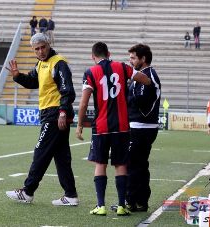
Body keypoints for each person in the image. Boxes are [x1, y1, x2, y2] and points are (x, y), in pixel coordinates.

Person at [76, 42, 151, 216]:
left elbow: (84, 102)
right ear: (109, 53)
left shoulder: (90, 72)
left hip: (101, 127)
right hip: (122, 126)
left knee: (100, 164)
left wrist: (79, 124)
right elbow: (144, 79)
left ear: (93, 56)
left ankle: (100, 206)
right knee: (121, 164)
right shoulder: (122, 67)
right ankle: (121, 206)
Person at [5, 33, 78, 206]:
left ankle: (28, 191)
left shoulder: (59, 63)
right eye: (36, 49)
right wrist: (17, 76)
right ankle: (71, 195)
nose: (40, 51)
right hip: (49, 113)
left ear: (48, 44)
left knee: (40, 152)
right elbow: (32, 81)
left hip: (55, 114)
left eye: (42, 47)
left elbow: (68, 90)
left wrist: (62, 112)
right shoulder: (41, 64)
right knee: (61, 157)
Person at [125, 44, 161, 212]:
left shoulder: (148, 75)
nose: (130, 61)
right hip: (142, 126)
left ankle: (130, 201)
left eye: (133, 58)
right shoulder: (143, 75)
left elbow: (141, 100)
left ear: (143, 59)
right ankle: (140, 202)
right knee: (140, 165)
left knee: (132, 165)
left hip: (141, 126)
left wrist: (126, 94)